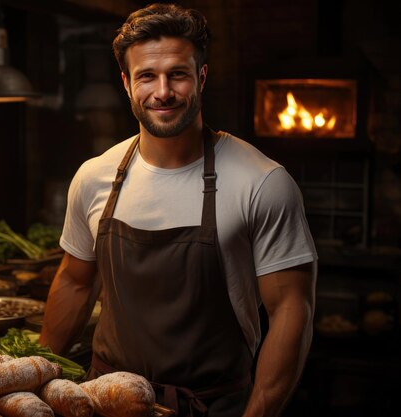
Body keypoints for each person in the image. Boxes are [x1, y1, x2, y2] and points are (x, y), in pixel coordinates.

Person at [40, 3, 317, 417]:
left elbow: (292, 309)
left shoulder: (262, 181)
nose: (163, 91)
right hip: (104, 402)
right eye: (147, 76)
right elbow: (76, 283)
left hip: (212, 404)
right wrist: (34, 373)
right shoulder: (95, 176)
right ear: (126, 83)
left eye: (178, 74)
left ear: (201, 77)